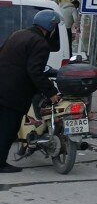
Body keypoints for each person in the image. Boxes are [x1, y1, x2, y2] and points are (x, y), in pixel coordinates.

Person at [0, 10, 62, 173]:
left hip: (2, 87)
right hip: (14, 93)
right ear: (50, 26)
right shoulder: (40, 42)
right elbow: (34, 71)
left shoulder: (18, 34)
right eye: (54, 26)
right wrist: (51, 92)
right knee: (8, 129)